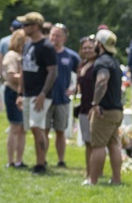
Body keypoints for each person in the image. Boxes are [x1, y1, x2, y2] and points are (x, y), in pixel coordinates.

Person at [19, 12, 57, 175]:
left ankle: (41, 164)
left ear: (35, 26)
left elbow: (53, 72)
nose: (23, 28)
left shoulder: (47, 47)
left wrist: (43, 93)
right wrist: (20, 94)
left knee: (37, 126)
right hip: (28, 93)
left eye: (25, 25)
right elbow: (23, 70)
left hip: (40, 94)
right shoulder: (27, 45)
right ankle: (39, 162)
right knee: (33, 128)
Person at [85, 29, 124, 186]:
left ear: (99, 44)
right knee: (114, 144)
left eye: (95, 42)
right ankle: (116, 179)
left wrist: (95, 103)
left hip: (104, 111)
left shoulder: (102, 62)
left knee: (98, 146)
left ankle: (92, 180)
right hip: (117, 110)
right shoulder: (114, 61)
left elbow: (102, 81)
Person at [48, 24, 80, 168]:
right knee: (44, 130)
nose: (54, 38)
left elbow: (81, 74)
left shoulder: (71, 56)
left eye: (58, 35)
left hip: (62, 99)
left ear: (64, 38)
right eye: (52, 35)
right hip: (45, 98)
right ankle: (41, 160)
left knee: (61, 131)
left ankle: (61, 160)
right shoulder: (44, 52)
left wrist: (74, 88)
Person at [2, 29, 27, 168]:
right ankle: (10, 161)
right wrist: (28, 77)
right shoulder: (11, 56)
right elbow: (12, 76)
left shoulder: (24, 56)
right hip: (13, 92)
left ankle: (19, 160)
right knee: (15, 127)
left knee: (23, 128)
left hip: (22, 93)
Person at [75, 35, 98, 178]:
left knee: (95, 143)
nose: (87, 50)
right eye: (84, 48)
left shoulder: (98, 65)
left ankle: (94, 173)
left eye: (90, 47)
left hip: (93, 108)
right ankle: (88, 172)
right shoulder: (83, 64)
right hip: (83, 107)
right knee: (87, 142)